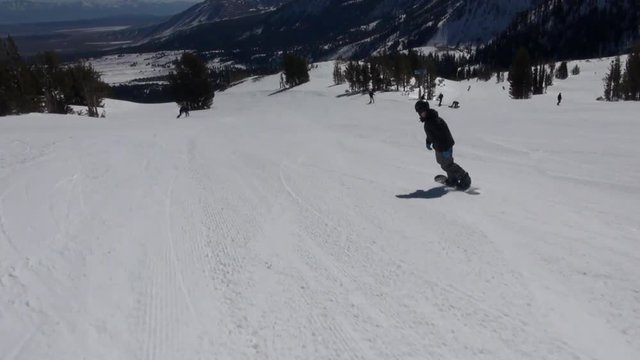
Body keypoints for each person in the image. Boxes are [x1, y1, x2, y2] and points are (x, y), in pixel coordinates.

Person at [415, 100, 471, 189]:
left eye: (423, 111)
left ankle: (465, 178)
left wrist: (445, 148)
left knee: (447, 165)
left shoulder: (433, 121)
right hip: (440, 147)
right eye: (419, 112)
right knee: (443, 163)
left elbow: (442, 134)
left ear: (427, 109)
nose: (421, 114)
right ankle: (452, 179)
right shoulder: (430, 120)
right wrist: (428, 142)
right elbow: (431, 134)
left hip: (444, 146)